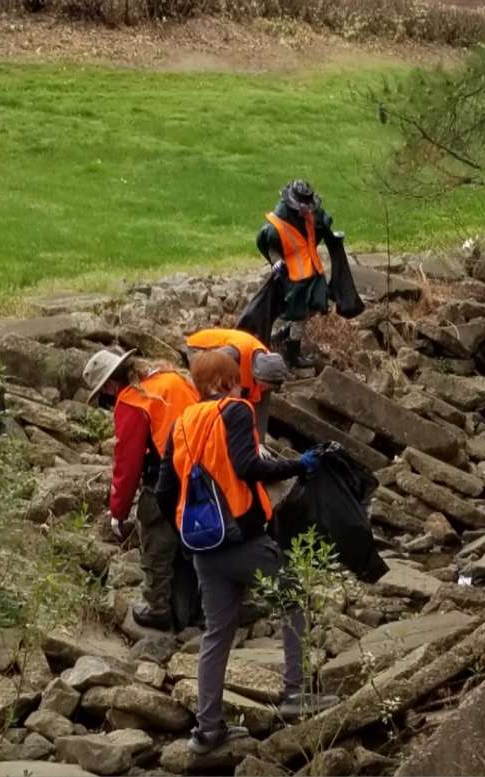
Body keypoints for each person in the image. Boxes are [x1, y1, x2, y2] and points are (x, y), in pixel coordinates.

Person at [154, 350, 323, 755]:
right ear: (225, 381)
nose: (240, 384)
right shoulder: (236, 410)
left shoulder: (182, 423)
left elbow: (163, 491)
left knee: (217, 633)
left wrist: (188, 530)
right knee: (295, 598)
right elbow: (248, 466)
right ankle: (297, 693)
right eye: (236, 378)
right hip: (243, 540)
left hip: (202, 547)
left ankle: (208, 730)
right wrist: (298, 465)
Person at [83, 348, 200, 631]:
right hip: (205, 466)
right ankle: (210, 603)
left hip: (171, 472)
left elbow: (128, 463)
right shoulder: (170, 378)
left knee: (155, 534)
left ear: (110, 385)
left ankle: (156, 605)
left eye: (104, 397)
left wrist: (118, 511)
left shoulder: (133, 401)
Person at [256, 180, 345, 368]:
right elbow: (271, 244)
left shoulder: (312, 214)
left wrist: (332, 236)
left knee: (315, 304)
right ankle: (289, 352)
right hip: (293, 275)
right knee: (297, 313)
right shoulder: (279, 221)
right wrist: (276, 261)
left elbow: (322, 225)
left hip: (311, 268)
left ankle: (285, 337)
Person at [184, 327, 288, 439]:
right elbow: (208, 362)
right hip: (199, 349)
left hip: (219, 357)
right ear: (257, 376)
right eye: (265, 385)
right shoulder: (235, 353)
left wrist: (260, 441)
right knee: (224, 387)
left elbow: (262, 407)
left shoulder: (269, 367)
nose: (265, 388)